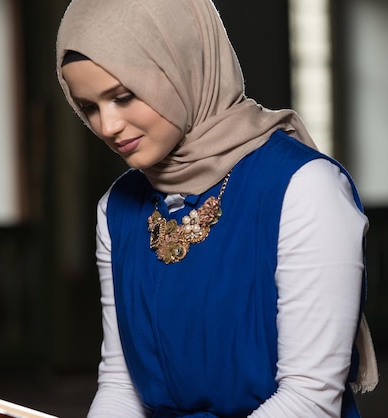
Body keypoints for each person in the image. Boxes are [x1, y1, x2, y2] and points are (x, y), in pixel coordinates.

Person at [55, 0, 378, 417]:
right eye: (89, 107)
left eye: (123, 97)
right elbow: (121, 384)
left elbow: (309, 399)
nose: (107, 126)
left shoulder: (303, 188)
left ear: (184, 66)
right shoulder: (116, 210)